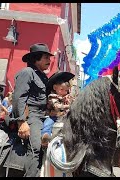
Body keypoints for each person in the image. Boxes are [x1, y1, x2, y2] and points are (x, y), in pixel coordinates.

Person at [11, 43, 53, 177]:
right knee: (37, 147)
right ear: (36, 59)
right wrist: (21, 121)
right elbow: (19, 97)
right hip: (31, 116)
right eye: (46, 57)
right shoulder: (27, 73)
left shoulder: (43, 76)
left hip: (43, 116)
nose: (49, 60)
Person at [41, 71, 75, 146]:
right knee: (47, 123)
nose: (64, 92)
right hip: (53, 116)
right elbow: (56, 106)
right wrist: (68, 106)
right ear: (55, 88)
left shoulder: (65, 97)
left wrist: (70, 101)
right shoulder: (52, 96)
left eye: (66, 90)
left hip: (63, 116)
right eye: (62, 90)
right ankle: (45, 136)